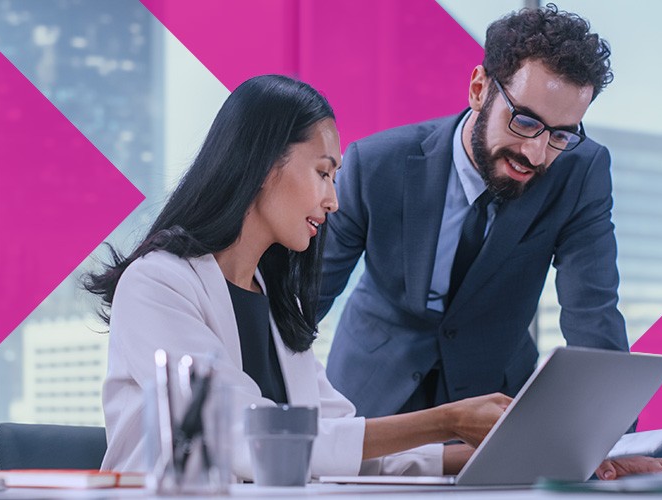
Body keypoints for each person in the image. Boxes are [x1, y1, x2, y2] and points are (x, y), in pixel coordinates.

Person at [84, 74, 513, 479]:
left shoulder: (273, 302)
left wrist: (496, 453)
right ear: (266, 165)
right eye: (323, 173)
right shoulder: (156, 285)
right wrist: (447, 420)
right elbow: (243, 438)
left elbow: (338, 445)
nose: (333, 201)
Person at [319, 4, 629, 418]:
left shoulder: (580, 172)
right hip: (371, 396)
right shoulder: (374, 166)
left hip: (494, 403)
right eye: (524, 121)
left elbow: (594, 316)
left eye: (560, 135)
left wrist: (606, 444)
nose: (535, 153)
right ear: (479, 89)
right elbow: (301, 302)